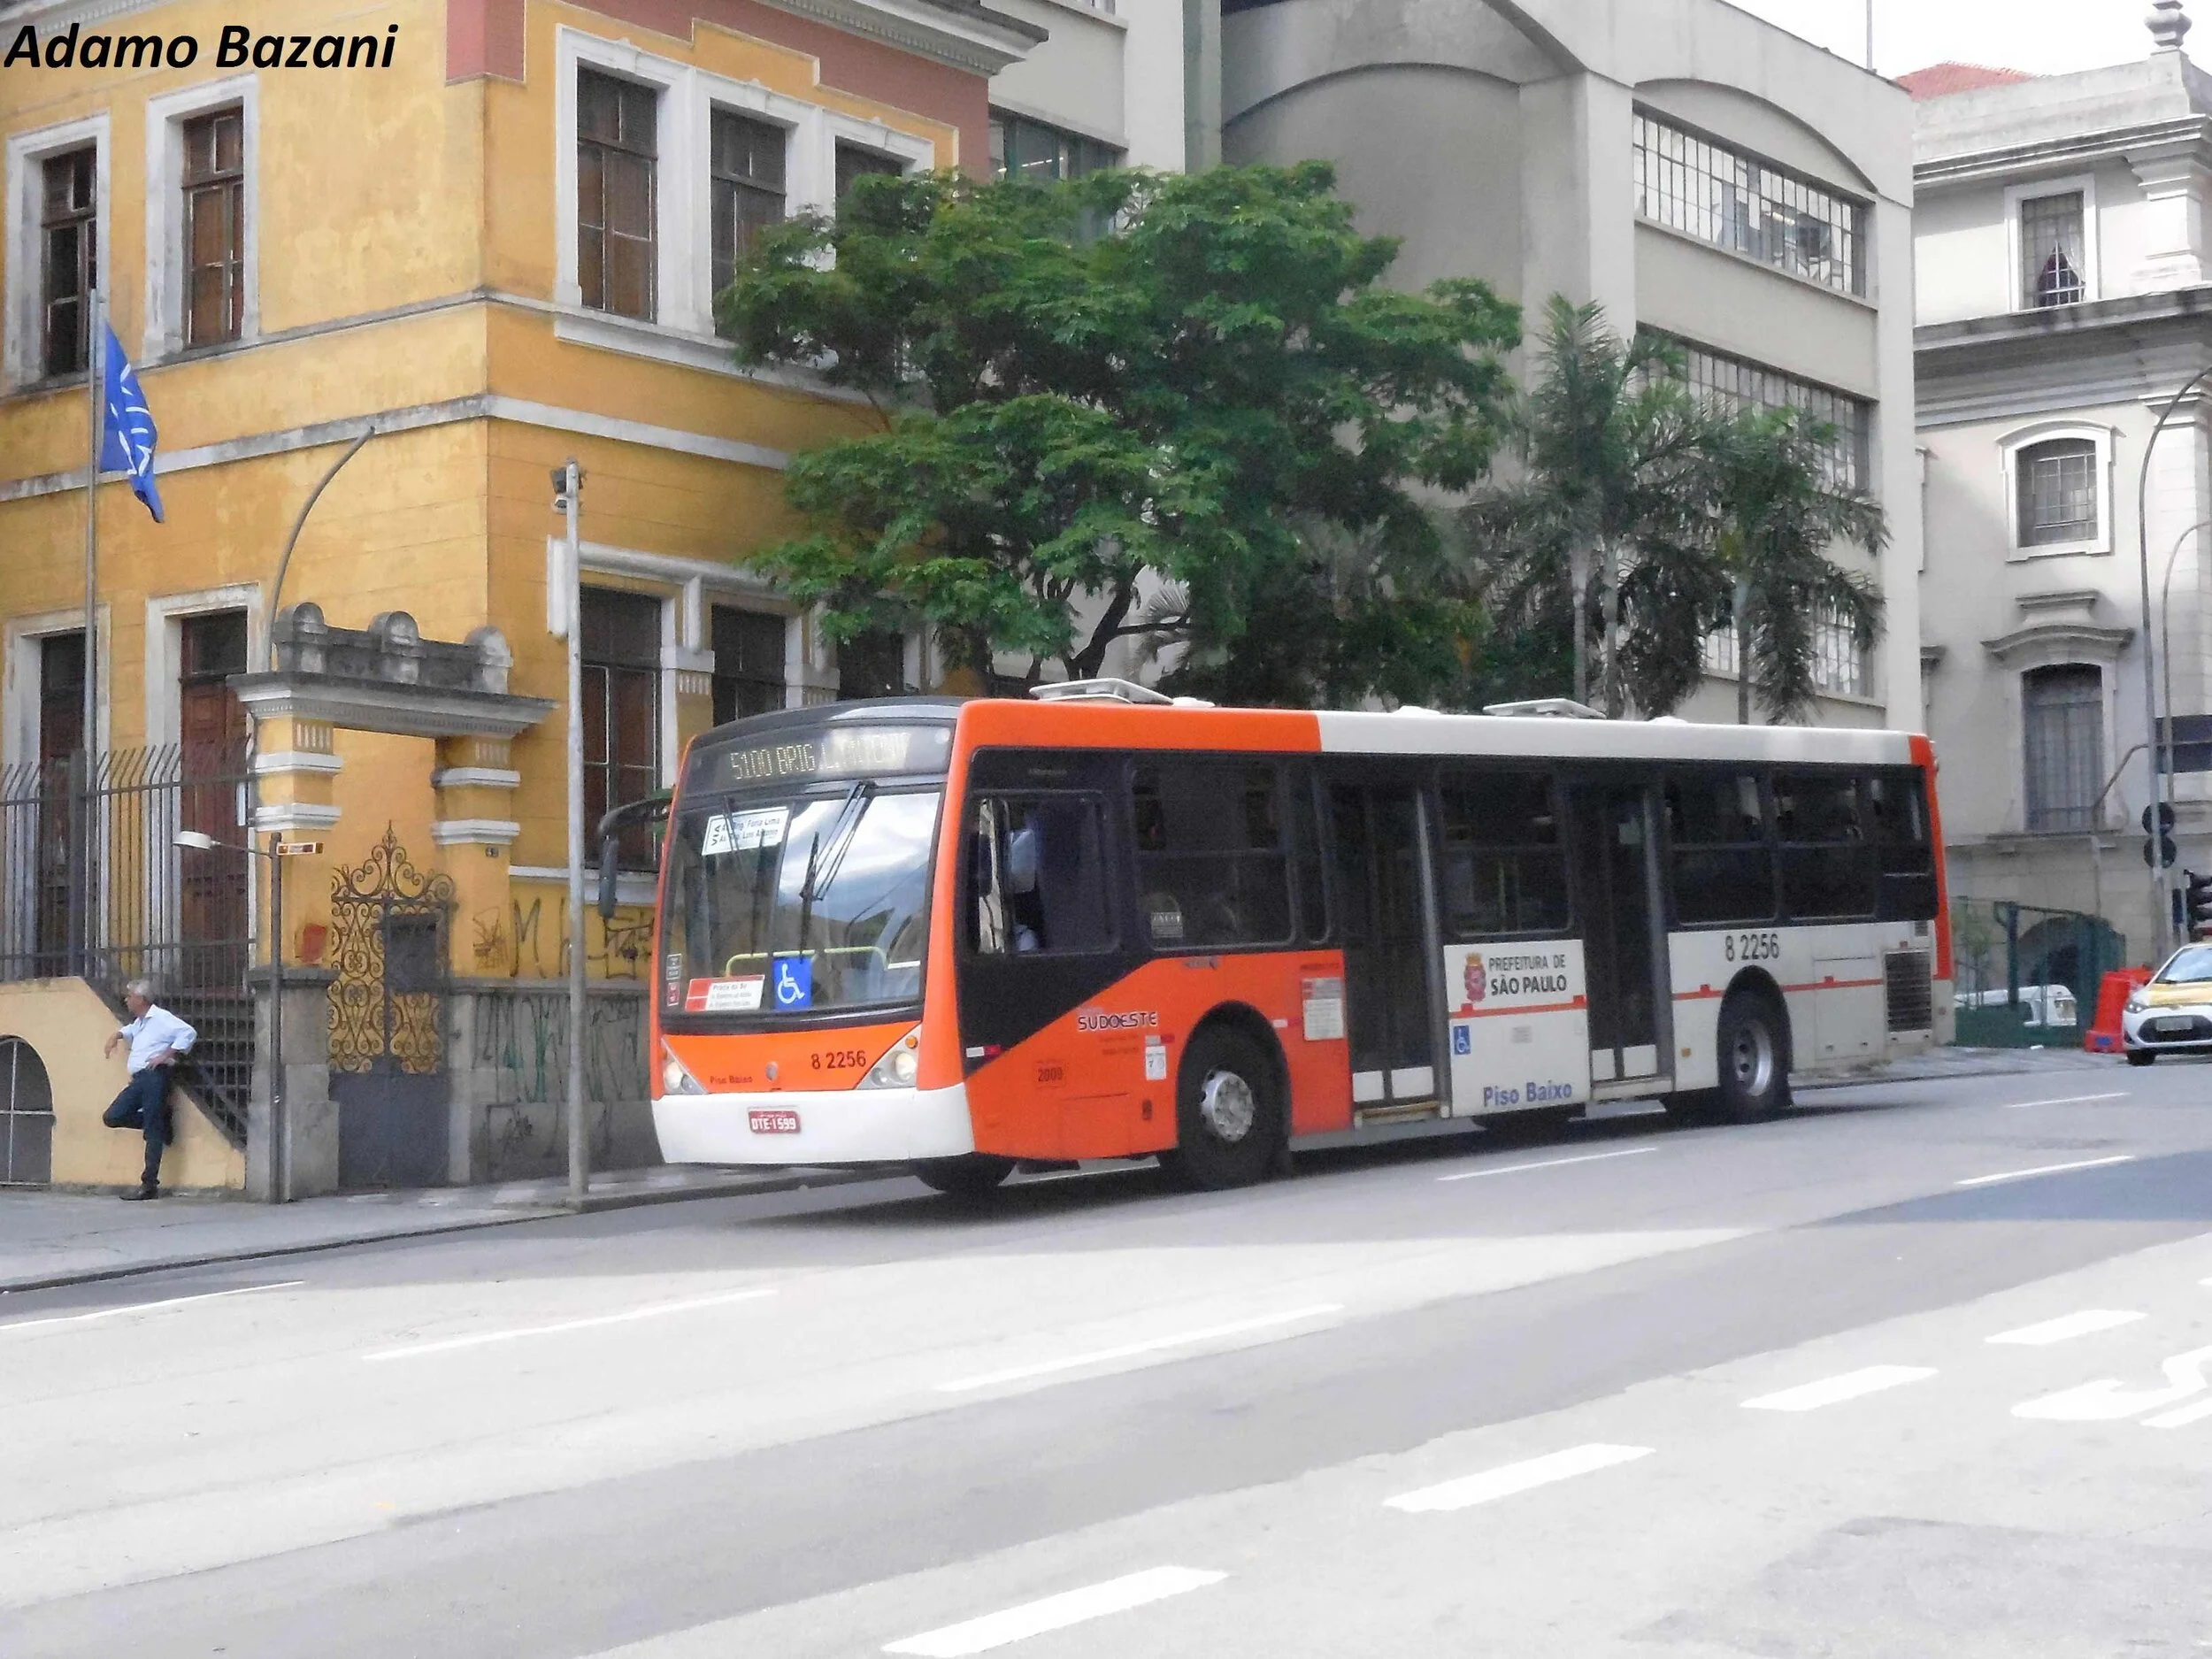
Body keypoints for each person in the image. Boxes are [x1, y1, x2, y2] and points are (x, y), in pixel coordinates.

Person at [102, 980, 196, 1201]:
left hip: (155, 1076)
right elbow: (130, 1030)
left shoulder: (161, 1018)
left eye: (130, 996)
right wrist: (116, 1036)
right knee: (113, 1116)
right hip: (140, 1079)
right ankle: (162, 1122)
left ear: (141, 999)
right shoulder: (141, 1021)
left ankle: (149, 1184)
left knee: (153, 1130)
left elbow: (188, 1032)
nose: (126, 1000)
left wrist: (165, 1055)